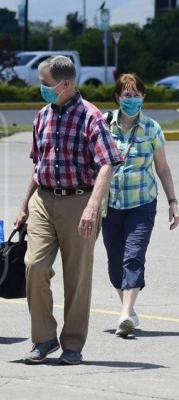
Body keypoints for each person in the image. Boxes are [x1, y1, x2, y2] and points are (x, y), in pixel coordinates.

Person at [14, 55, 122, 365]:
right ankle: (44, 338)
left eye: (45, 84)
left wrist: (91, 206)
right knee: (34, 265)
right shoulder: (42, 116)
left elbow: (107, 164)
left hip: (79, 201)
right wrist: (23, 205)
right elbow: (39, 166)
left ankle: (72, 344)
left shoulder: (91, 117)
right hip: (43, 201)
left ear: (66, 84)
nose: (41, 89)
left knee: (77, 278)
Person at [102, 73, 178, 338]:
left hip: (142, 203)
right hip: (110, 204)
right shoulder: (104, 124)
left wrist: (172, 200)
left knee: (133, 256)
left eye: (136, 95)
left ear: (143, 97)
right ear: (117, 97)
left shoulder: (152, 129)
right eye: (126, 94)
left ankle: (125, 314)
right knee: (114, 263)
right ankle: (130, 310)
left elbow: (163, 168)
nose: (131, 99)